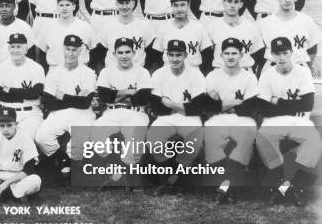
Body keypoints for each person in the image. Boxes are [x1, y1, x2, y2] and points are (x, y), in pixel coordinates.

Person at [256, 37, 322, 207]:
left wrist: (276, 101)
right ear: (272, 55)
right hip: (274, 122)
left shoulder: (302, 72)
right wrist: (292, 106)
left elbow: (307, 104)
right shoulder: (267, 75)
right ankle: (281, 183)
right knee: (262, 138)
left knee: (314, 142)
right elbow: (263, 109)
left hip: (299, 121)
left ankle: (290, 185)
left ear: (291, 53)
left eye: (285, 52)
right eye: (277, 53)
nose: (282, 57)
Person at [147, 39, 206, 193]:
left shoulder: (196, 74)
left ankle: (178, 177)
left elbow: (198, 108)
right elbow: (156, 106)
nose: (174, 59)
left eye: (178, 55)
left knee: (195, 137)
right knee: (154, 137)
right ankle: (164, 179)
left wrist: (171, 104)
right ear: (166, 55)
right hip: (166, 117)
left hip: (189, 118)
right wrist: (184, 107)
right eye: (171, 55)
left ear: (185, 55)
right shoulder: (159, 74)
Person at [203, 38, 258, 204]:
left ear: (241, 55)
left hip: (243, 119)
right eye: (227, 53)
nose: (230, 56)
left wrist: (222, 103)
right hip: (217, 118)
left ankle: (223, 187)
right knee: (210, 133)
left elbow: (250, 107)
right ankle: (228, 185)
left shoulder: (249, 77)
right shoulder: (213, 75)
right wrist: (236, 103)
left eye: (234, 53)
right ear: (221, 55)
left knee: (246, 136)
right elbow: (209, 105)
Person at [35, 35, 96, 178]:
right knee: (41, 137)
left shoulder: (88, 72)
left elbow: (85, 103)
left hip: (83, 113)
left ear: (80, 51)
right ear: (63, 49)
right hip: (59, 112)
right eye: (67, 49)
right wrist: (76, 98)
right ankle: (63, 159)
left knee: (78, 141)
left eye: (74, 50)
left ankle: (75, 167)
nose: (70, 53)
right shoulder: (54, 71)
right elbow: (48, 102)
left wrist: (62, 96)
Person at [93, 37, 152, 172]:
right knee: (96, 132)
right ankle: (113, 163)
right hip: (111, 112)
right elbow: (104, 96)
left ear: (134, 53)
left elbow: (142, 99)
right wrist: (129, 91)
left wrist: (114, 94)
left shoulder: (142, 72)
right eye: (120, 52)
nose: (124, 56)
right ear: (114, 54)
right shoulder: (106, 71)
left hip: (136, 112)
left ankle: (128, 171)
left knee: (135, 134)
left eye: (127, 52)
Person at [259, 0, 320, 75]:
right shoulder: (265, 22)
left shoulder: (307, 21)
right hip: (272, 69)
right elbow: (259, 52)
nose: (287, 0)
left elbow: (312, 49)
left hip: (299, 68)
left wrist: (306, 65)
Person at [0, 33, 45, 140]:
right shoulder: (1, 67)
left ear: (26, 49)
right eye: (13, 46)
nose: (15, 50)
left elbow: (35, 94)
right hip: (5, 112)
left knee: (24, 140)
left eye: (19, 46)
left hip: (30, 114)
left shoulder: (36, 68)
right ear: (9, 48)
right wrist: (24, 94)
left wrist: (10, 90)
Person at [207, 0, 264, 73]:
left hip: (245, 72)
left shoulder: (251, 27)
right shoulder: (213, 27)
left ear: (241, 4)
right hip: (220, 72)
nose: (232, 5)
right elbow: (207, 56)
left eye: (236, 2)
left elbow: (258, 55)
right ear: (223, 3)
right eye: (229, 1)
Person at [151, 0, 212, 72]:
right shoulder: (164, 28)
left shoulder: (199, 27)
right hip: (169, 73)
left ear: (188, 5)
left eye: (182, 5)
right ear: (171, 7)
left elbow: (207, 56)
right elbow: (156, 57)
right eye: (175, 5)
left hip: (193, 73)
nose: (179, 9)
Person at [98, 0, 154, 70]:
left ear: (133, 3)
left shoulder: (144, 26)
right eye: (121, 3)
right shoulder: (108, 26)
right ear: (116, 4)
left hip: (137, 74)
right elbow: (100, 54)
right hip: (113, 74)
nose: (124, 7)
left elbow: (152, 54)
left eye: (127, 3)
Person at [36, 0, 92, 70]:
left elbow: (93, 52)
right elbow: (41, 54)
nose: (64, 8)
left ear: (74, 6)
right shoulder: (48, 27)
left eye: (67, 5)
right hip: (55, 71)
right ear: (57, 7)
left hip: (80, 72)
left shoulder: (85, 27)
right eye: (61, 5)